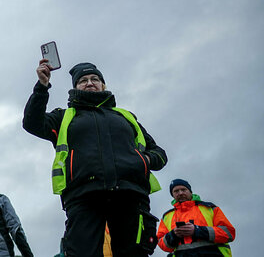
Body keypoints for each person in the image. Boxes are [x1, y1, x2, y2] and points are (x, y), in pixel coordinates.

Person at [23, 60, 168, 256]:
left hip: (130, 195)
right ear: (75, 87)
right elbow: (32, 123)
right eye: (83, 80)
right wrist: (42, 87)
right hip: (83, 197)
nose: (90, 83)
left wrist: (146, 160)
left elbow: (159, 152)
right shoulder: (64, 116)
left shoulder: (126, 116)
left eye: (95, 79)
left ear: (103, 85)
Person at [156, 179, 235, 256]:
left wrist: (197, 230)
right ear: (172, 195)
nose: (180, 193)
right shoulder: (167, 216)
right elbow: (162, 244)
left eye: (183, 189)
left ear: (190, 192)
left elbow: (228, 233)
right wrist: (174, 234)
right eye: (176, 191)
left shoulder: (210, 208)